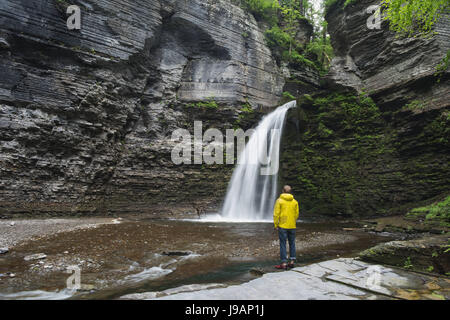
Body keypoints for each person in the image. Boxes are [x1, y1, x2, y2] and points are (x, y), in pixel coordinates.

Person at [273, 185, 299, 270]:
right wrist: (293, 221)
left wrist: (276, 224)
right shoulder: (295, 202)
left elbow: (276, 214)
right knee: (292, 243)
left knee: (283, 244)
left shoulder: (279, 201)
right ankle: (291, 262)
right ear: (290, 192)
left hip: (282, 225)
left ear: (282, 191)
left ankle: (284, 263)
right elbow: (296, 214)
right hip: (292, 225)